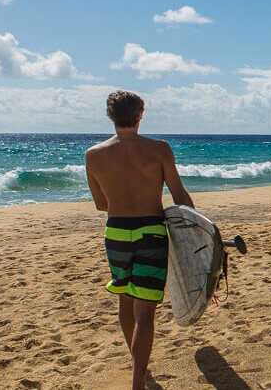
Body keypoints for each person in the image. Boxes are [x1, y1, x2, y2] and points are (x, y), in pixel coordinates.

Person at [85, 91, 194, 390]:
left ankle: (141, 373)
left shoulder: (93, 155)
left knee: (125, 301)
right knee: (145, 313)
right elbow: (179, 195)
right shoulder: (159, 149)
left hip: (116, 233)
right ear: (140, 114)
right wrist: (195, 228)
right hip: (151, 232)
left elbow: (100, 204)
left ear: (110, 116)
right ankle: (137, 381)